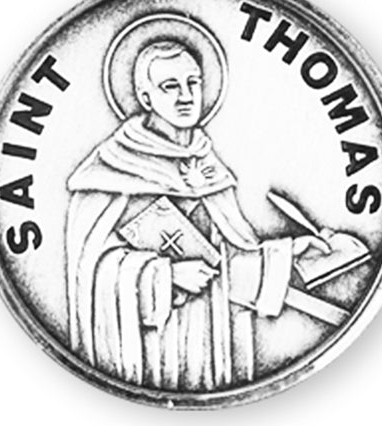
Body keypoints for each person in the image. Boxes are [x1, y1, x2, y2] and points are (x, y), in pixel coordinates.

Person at [65, 39, 328, 391]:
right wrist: (165, 275)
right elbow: (91, 271)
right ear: (146, 98)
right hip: (148, 345)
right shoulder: (110, 170)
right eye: (170, 86)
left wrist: (286, 253)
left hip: (210, 335)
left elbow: (229, 261)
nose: (186, 96)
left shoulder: (206, 165)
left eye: (193, 82)